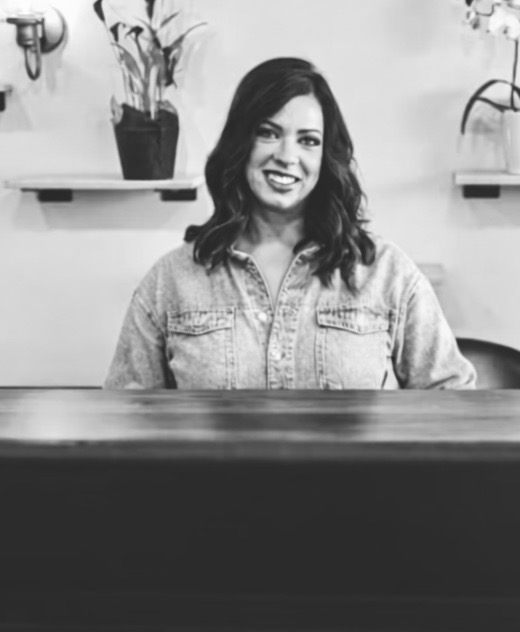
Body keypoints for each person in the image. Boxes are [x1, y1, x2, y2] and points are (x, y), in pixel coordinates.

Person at [104, 57, 477, 390]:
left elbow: (452, 399)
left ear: (325, 157)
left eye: (308, 141)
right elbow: (126, 418)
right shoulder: (171, 280)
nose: (287, 156)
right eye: (268, 133)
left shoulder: (387, 273)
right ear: (240, 143)